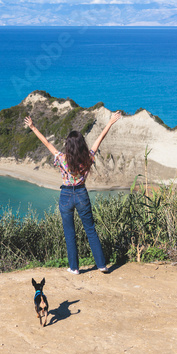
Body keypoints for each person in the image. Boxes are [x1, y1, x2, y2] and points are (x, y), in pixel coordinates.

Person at [24, 111, 121, 275]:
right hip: (82, 194)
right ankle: (102, 265)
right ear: (82, 144)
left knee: (70, 233)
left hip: (66, 196)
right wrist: (110, 122)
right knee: (90, 230)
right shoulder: (88, 157)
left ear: (68, 146)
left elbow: (46, 143)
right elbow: (99, 139)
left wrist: (33, 127)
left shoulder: (62, 158)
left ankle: (74, 267)